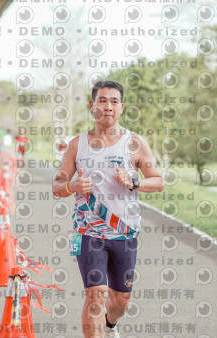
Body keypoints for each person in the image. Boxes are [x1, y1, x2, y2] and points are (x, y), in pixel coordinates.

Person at [52, 81, 164, 338]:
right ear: (92, 106)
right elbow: (57, 186)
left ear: (121, 107)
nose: (108, 106)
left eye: (114, 101)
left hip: (124, 232)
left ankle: (110, 324)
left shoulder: (135, 143)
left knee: (121, 300)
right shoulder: (76, 145)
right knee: (95, 295)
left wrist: (135, 181)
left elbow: (158, 181)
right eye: (102, 100)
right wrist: (71, 186)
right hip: (87, 232)